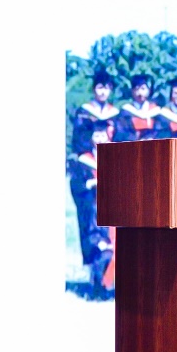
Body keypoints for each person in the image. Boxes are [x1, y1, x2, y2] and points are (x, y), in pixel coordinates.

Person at [68, 120, 115, 291]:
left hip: (116, 207)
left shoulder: (118, 156)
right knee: (100, 246)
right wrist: (89, 185)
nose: (100, 138)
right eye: (97, 135)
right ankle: (98, 285)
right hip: (93, 208)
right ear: (91, 138)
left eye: (103, 135)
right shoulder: (83, 160)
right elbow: (76, 185)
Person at [74, 70, 120, 142]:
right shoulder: (84, 111)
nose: (103, 92)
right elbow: (78, 135)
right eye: (100, 88)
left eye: (106, 88)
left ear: (110, 90)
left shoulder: (115, 113)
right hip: (89, 148)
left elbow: (120, 135)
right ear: (93, 89)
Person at [115, 74, 160, 142]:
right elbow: (122, 132)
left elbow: (160, 131)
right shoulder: (126, 111)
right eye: (137, 89)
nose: (140, 93)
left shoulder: (155, 111)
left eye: (143, 89)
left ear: (149, 90)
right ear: (132, 91)